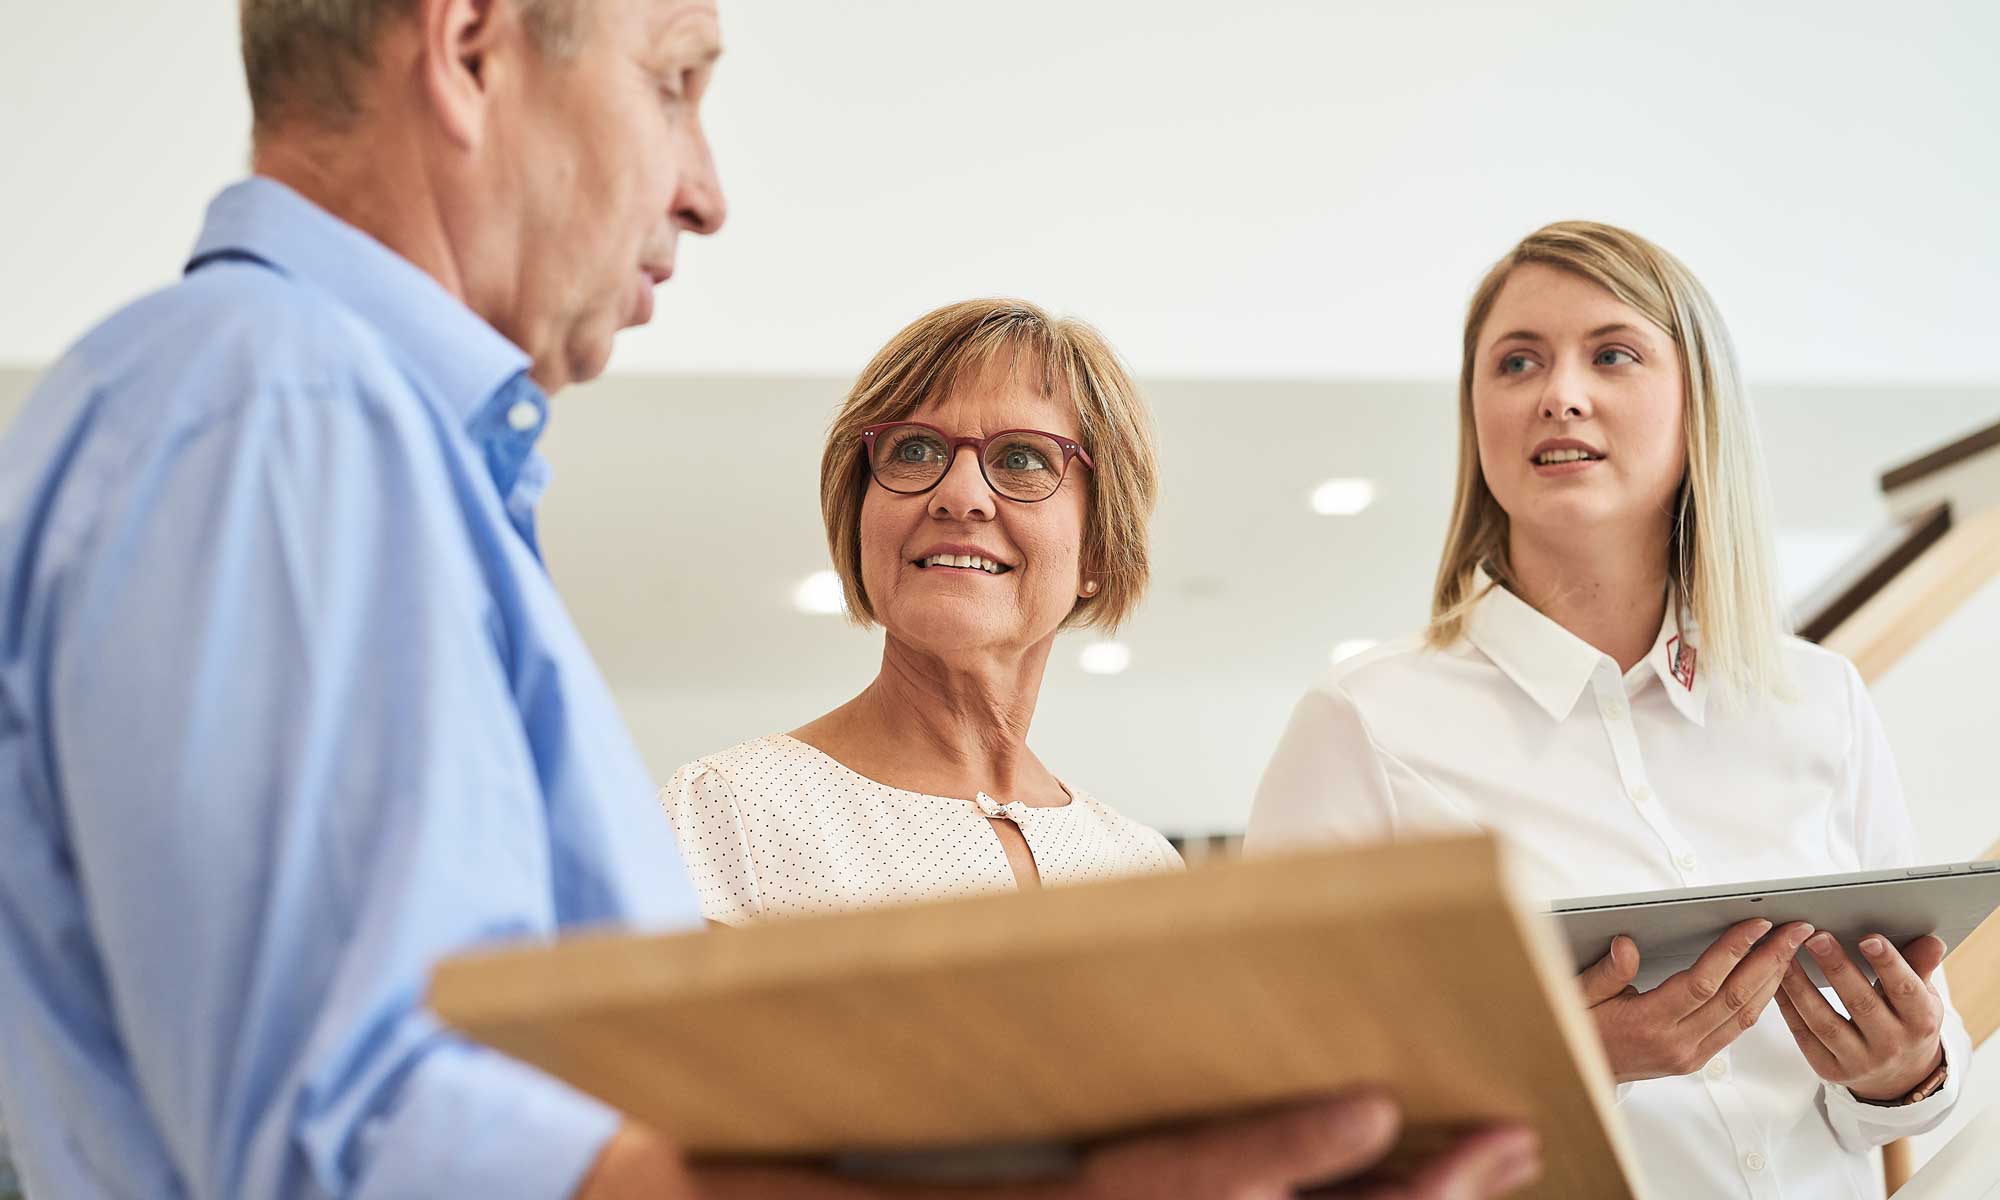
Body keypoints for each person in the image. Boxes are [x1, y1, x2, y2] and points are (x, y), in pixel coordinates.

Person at [0, 0, 1539, 1196]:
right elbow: (347, 1144)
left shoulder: (336, 440)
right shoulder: (281, 412)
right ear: (469, 50)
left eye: (1022, 464)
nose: (708, 191)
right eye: (677, 81)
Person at [1246, 220, 1969, 1198]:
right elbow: (1280, 1096)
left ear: (1696, 403)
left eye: (1613, 354)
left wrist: (1901, 1070)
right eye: (1517, 362)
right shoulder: (1363, 724)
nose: (1560, 393)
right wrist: (1571, 1061)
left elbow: (1913, 1086)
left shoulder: (1818, 701)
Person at [665, 299, 1187, 923]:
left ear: (1097, 548)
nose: (959, 496)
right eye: (914, 451)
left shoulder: (1143, 866)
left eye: (1021, 459)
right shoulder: (729, 814)